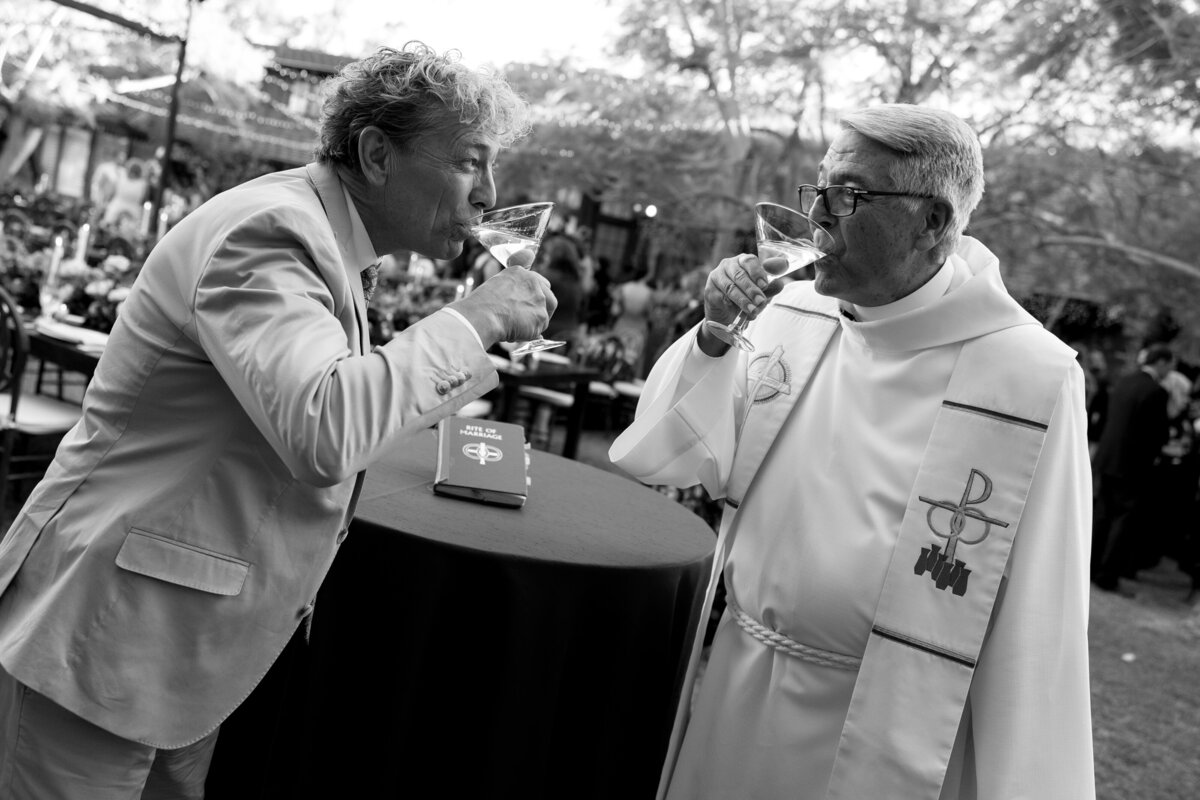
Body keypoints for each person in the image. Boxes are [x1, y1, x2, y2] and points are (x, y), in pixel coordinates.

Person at [0, 42, 555, 797]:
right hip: (105, 636)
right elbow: (325, 427)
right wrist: (476, 320)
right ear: (376, 153)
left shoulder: (325, 239)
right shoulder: (273, 230)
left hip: (176, 646)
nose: (489, 192)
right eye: (468, 162)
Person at [610, 104, 1095, 799]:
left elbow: (1041, 624)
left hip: (882, 730)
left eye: (851, 195)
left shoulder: (1029, 377)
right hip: (737, 687)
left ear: (933, 222)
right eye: (820, 188)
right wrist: (713, 340)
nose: (819, 217)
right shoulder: (788, 317)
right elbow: (670, 457)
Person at [1091, 343, 1175, 593]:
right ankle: (1107, 576)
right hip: (1132, 465)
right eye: (1170, 364)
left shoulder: (1125, 382)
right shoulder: (1156, 392)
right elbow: (1159, 434)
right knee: (1122, 519)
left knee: (1102, 515)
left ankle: (1090, 566)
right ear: (1160, 362)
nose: (1170, 370)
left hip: (1108, 459)